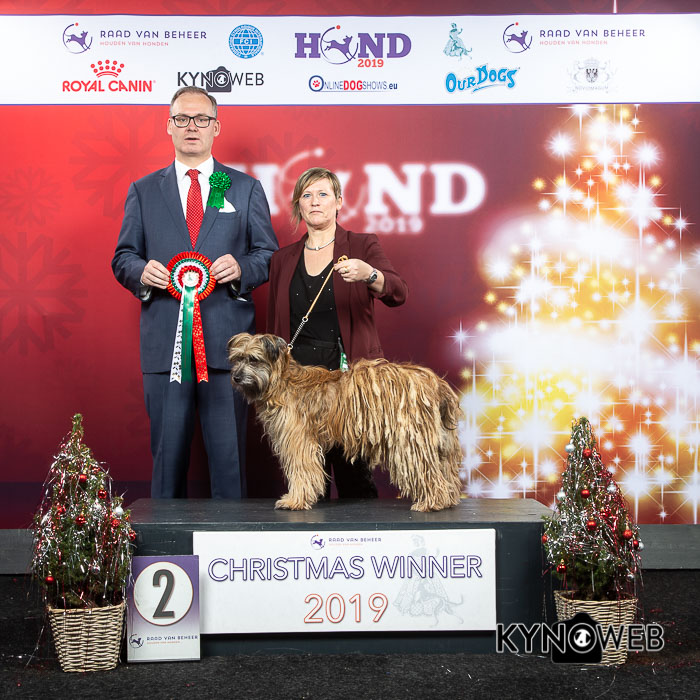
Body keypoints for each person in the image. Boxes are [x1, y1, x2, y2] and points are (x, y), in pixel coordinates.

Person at [112, 87, 278, 499]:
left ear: (215, 128)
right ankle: (167, 539)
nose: (192, 127)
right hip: (164, 348)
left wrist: (242, 268)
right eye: (182, 119)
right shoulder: (144, 190)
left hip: (228, 350)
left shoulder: (243, 187)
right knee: (166, 462)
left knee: (229, 461)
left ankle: (231, 538)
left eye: (201, 119)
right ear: (168, 126)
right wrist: (140, 271)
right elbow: (123, 257)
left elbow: (268, 254)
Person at [266, 167, 408, 499]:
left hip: (348, 378)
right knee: (305, 478)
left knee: (354, 475)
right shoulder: (282, 259)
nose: (315, 201)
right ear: (298, 205)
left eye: (323, 194)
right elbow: (274, 326)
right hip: (298, 383)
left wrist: (370, 274)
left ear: (339, 202)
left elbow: (398, 293)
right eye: (307, 195)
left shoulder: (361, 244)